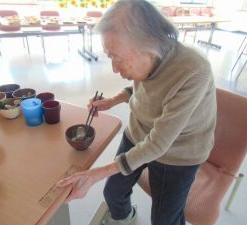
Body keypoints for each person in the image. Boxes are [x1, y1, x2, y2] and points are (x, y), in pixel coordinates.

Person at [57, 0, 217, 224]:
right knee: (112, 193)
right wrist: (114, 100)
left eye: (118, 58)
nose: (114, 68)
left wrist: (96, 173)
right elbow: (143, 88)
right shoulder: (149, 57)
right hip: (139, 133)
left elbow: (158, 144)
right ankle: (125, 218)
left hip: (178, 153)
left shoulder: (193, 70)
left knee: (165, 219)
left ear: (149, 44)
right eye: (110, 56)